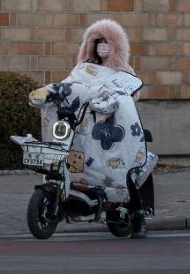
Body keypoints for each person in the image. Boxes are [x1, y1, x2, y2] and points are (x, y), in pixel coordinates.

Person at [74, 18, 154, 238]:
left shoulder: (123, 70)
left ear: (115, 45)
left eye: (106, 42)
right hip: (88, 127)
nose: (102, 47)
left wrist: (115, 96)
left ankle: (139, 217)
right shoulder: (84, 69)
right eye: (98, 42)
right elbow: (71, 86)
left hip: (117, 127)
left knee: (125, 171)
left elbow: (134, 92)